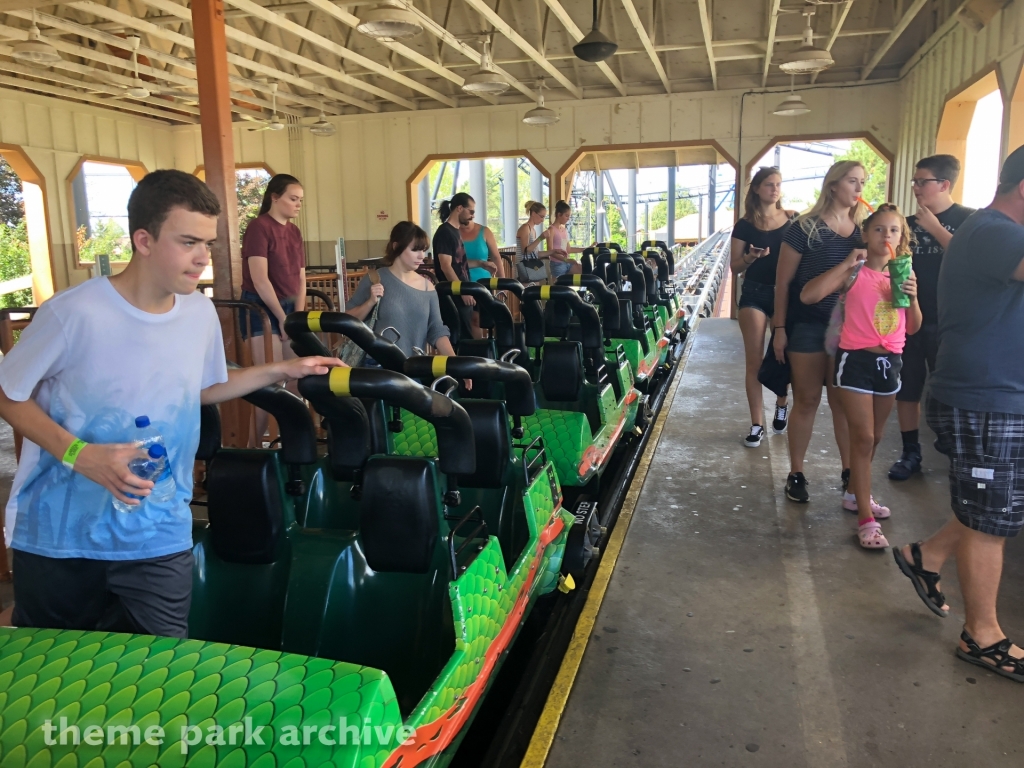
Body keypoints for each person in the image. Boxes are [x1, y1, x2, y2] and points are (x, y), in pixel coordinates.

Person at [0, 170, 338, 638]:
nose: (203, 257)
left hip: (158, 530)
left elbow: (197, 388)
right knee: (61, 678)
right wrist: (81, 455)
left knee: (160, 676)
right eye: (188, 242)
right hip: (63, 538)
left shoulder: (198, 313)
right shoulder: (73, 312)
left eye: (208, 243)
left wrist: (282, 370)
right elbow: (7, 393)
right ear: (143, 239)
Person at [892, 146, 1024, 683]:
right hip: (983, 396)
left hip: (997, 393)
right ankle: (981, 635)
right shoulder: (996, 233)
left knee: (988, 506)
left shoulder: (987, 229)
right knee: (989, 521)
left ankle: (926, 555)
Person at [801, 205, 920, 549]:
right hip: (855, 361)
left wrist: (911, 297)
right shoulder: (854, 273)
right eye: (879, 229)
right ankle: (865, 520)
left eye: (894, 230)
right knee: (863, 438)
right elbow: (809, 295)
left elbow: (913, 326)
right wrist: (846, 265)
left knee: (877, 435)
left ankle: (855, 493)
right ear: (866, 235)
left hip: (891, 362)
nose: (887, 236)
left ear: (902, 237)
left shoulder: (904, 274)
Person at [774, 161, 868, 504]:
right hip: (809, 325)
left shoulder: (864, 230)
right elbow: (783, 283)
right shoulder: (804, 228)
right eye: (852, 181)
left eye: (862, 182)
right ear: (833, 186)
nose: (859, 189)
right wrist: (779, 328)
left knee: (843, 403)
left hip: (852, 329)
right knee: (808, 399)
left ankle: (849, 472)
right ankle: (796, 472)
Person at [888, 155, 975, 480]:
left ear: (944, 184)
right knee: (907, 388)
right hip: (909, 320)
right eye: (914, 181)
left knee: (952, 391)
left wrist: (936, 229)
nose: (915, 188)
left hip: (952, 323)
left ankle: (956, 450)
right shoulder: (905, 223)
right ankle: (911, 452)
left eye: (921, 181)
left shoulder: (971, 220)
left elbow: (971, 261)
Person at [239, 173, 307, 445]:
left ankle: (289, 442)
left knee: (294, 377)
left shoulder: (294, 231)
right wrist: (281, 317)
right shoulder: (259, 227)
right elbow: (259, 278)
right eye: (293, 199)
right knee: (268, 380)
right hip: (261, 306)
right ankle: (253, 447)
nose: (298, 204)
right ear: (274, 197)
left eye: (300, 200)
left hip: (290, 306)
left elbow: (301, 277)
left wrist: (296, 319)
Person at [730, 166, 795, 447]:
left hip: (786, 293)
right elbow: (734, 266)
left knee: (782, 355)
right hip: (755, 293)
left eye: (778, 184)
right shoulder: (744, 225)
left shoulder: (793, 220)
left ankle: (782, 402)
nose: (775, 189)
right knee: (754, 361)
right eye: (769, 184)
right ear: (756, 189)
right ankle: (757, 423)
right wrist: (751, 258)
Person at [349, 221, 460, 358]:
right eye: (415, 250)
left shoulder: (428, 287)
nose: (422, 256)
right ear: (397, 247)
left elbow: (436, 329)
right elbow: (349, 320)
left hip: (413, 367)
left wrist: (455, 363)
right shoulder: (374, 278)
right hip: (378, 367)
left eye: (423, 250)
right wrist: (370, 302)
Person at [433, 193, 476, 337]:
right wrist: (462, 291)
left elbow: (458, 262)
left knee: (466, 335)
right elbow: (446, 266)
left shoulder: (455, 231)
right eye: (471, 211)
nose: (472, 216)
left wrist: (482, 263)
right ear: (459, 208)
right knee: (460, 338)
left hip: (460, 292)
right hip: (453, 296)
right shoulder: (444, 232)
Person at [547, 200, 589, 278]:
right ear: (559, 214)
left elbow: (568, 249)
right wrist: (566, 260)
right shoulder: (551, 230)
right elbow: (550, 251)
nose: (568, 218)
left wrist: (586, 249)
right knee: (560, 289)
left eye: (569, 216)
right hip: (557, 264)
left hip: (567, 262)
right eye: (566, 216)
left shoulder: (564, 230)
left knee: (586, 273)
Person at [516, 201, 553, 282]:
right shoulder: (525, 228)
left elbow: (535, 253)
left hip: (531, 269)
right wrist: (540, 238)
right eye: (541, 217)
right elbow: (525, 250)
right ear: (533, 213)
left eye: (544, 217)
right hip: (524, 268)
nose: (542, 220)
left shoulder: (533, 230)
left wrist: (553, 252)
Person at [460, 216, 503, 281]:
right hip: (459, 284)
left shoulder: (485, 231)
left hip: (485, 284)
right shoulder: (450, 233)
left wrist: (503, 284)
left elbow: (496, 257)